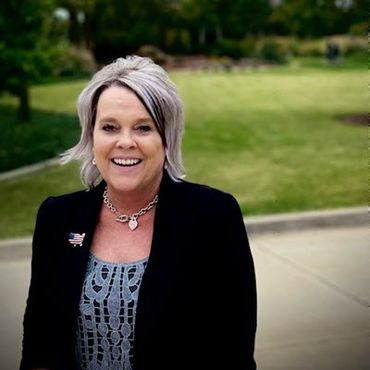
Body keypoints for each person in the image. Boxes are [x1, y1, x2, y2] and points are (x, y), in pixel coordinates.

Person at [20, 55, 257, 370]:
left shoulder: (213, 218)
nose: (125, 142)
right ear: (92, 136)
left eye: (143, 128)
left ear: (166, 139)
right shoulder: (57, 218)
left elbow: (233, 355)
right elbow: (39, 348)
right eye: (110, 127)